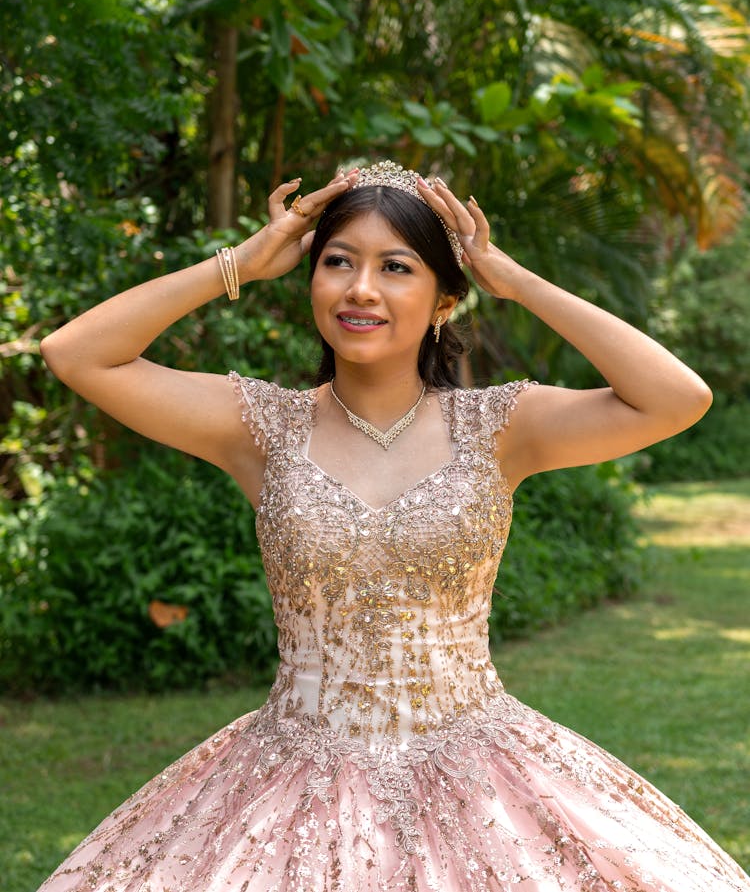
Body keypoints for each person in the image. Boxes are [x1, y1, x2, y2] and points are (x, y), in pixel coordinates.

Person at [37, 160, 749, 892]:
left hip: (480, 767)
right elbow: (75, 353)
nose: (361, 288)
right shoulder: (263, 427)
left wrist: (513, 278)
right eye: (338, 262)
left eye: (396, 266)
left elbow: (676, 398)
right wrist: (240, 263)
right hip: (287, 779)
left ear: (444, 297)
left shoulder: (499, 427)